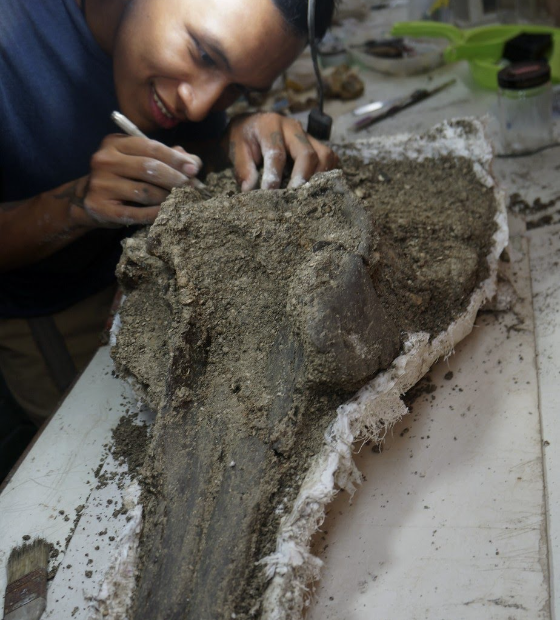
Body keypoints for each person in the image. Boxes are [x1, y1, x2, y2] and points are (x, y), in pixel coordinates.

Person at [0, 0, 338, 428]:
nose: (198, 106)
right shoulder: (12, 42)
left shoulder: (188, 84)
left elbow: (189, 147)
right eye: (203, 55)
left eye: (239, 89)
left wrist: (231, 138)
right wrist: (70, 205)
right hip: (57, 307)